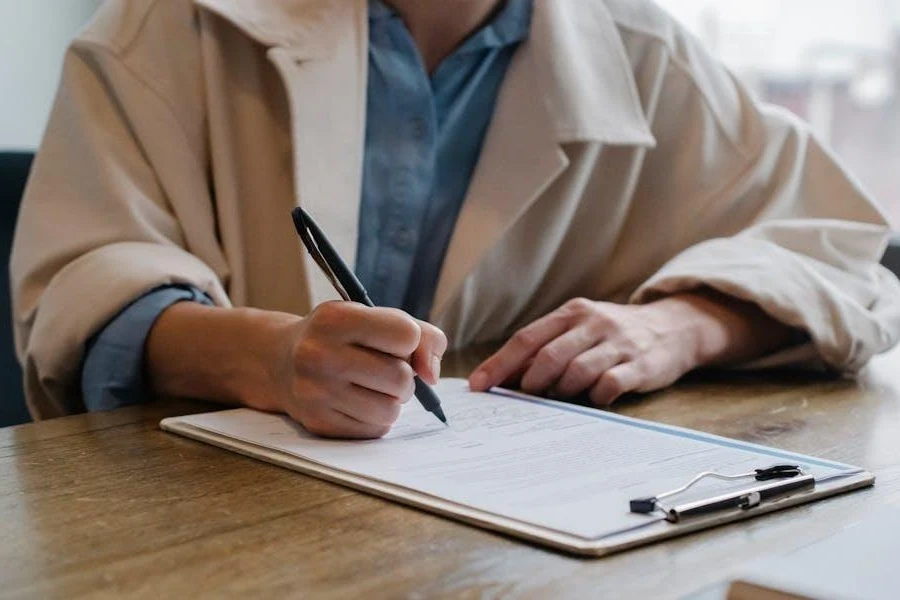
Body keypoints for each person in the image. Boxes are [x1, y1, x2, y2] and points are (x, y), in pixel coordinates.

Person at [11, 0, 900, 437]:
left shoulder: (644, 52)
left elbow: (849, 259)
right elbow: (81, 290)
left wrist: (679, 324)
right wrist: (270, 359)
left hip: (510, 537)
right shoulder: (168, 25)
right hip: (202, 526)